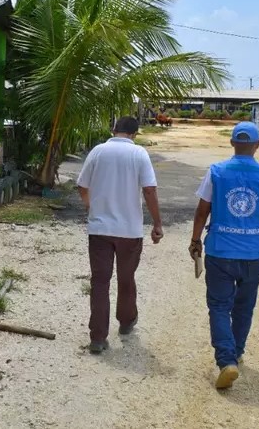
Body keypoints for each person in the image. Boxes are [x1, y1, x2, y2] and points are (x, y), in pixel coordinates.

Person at [188, 122, 259, 389]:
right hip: (253, 254)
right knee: (244, 306)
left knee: (219, 305)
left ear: (232, 143)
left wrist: (195, 240)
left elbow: (202, 210)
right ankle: (237, 350)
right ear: (257, 145)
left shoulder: (216, 172)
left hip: (220, 251)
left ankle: (226, 360)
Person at [77, 116, 164, 354]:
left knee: (99, 281)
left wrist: (91, 207)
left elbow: (82, 186)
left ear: (113, 130)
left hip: (100, 230)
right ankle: (126, 321)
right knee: (126, 278)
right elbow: (149, 190)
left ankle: (97, 337)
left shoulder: (97, 151)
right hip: (129, 231)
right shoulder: (139, 154)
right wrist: (157, 223)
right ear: (134, 134)